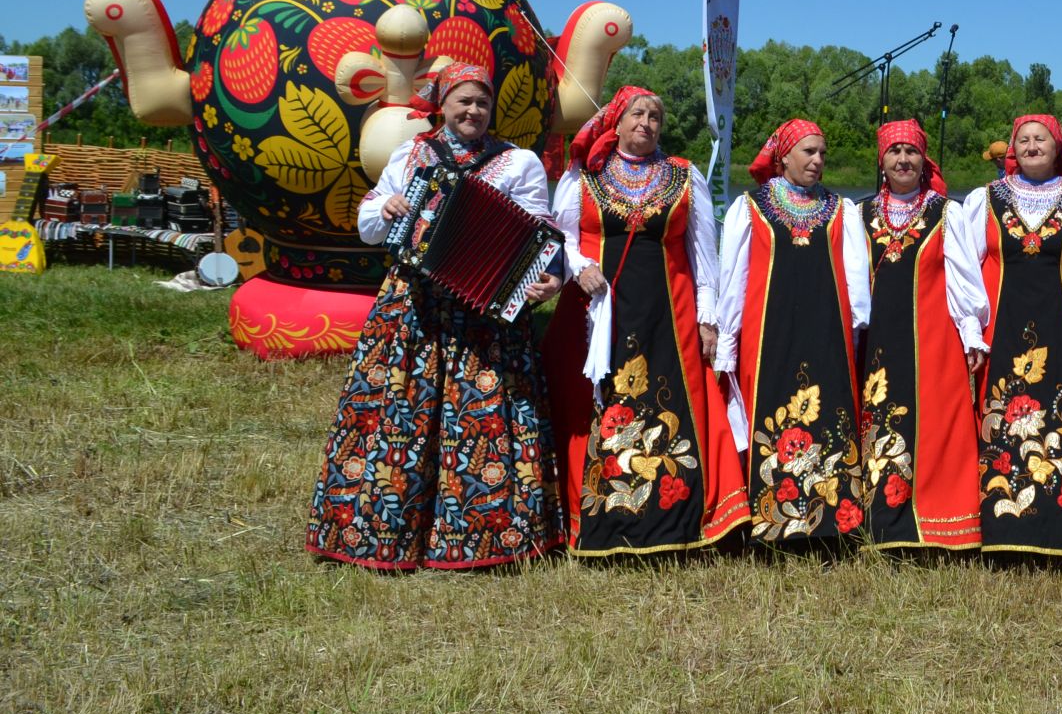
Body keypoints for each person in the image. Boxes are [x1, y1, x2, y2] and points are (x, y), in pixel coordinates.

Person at [309, 63, 564, 570]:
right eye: (463, 101)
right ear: (442, 104)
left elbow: (539, 234)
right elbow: (367, 225)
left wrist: (546, 278)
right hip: (413, 307)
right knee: (399, 413)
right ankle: (383, 530)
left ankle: (490, 536)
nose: (473, 111)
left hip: (485, 314)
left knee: (484, 415)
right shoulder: (411, 154)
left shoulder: (519, 163)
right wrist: (384, 210)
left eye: (482, 103)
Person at [542, 86, 747, 557]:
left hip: (667, 317)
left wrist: (707, 317)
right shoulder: (585, 175)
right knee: (596, 403)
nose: (647, 123)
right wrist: (579, 267)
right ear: (616, 121)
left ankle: (678, 519)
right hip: (597, 315)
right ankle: (599, 517)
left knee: (674, 401)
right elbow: (561, 235)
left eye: (656, 116)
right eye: (638, 113)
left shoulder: (682, 176)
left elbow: (701, 253)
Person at [948, 114, 1062, 558]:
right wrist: (971, 329)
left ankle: (1058, 530)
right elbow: (963, 268)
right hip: (1002, 327)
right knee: (1000, 415)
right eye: (1024, 139)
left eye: (1041, 139)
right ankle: (1001, 530)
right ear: (1012, 150)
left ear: (1059, 148)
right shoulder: (984, 201)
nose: (1032, 145)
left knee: (1061, 413)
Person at [713, 119, 872, 546]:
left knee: (828, 411)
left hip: (825, 332)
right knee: (771, 407)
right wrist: (728, 339)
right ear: (783, 156)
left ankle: (832, 524)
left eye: (822, 153)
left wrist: (854, 335)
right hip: (770, 335)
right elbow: (734, 279)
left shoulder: (842, 210)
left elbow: (856, 283)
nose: (818, 161)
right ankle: (769, 524)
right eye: (809, 152)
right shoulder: (749, 208)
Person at [857, 119, 984, 550]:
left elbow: (964, 278)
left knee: (935, 424)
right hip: (878, 342)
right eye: (894, 152)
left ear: (923, 160)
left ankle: (939, 521)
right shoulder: (861, 213)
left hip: (933, 337)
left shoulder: (948, 212)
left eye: (911, 152)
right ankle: (883, 523)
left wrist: (970, 332)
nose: (903, 160)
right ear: (882, 161)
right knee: (881, 419)